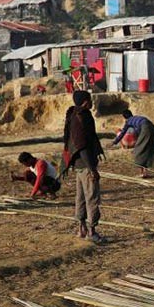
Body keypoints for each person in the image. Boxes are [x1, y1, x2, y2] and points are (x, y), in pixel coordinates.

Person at [63, 90, 105, 243]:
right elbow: (82, 146)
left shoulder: (74, 115)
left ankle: (81, 229)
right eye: (90, 100)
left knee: (80, 197)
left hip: (78, 164)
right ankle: (91, 232)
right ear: (86, 101)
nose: (92, 102)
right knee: (92, 198)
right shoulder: (82, 116)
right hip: (86, 164)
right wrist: (92, 169)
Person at [112, 110, 154, 177]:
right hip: (152, 126)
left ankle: (142, 173)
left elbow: (122, 133)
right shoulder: (136, 118)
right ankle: (145, 172)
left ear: (124, 117)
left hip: (145, 127)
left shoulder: (128, 121)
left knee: (138, 150)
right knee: (148, 148)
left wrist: (114, 142)